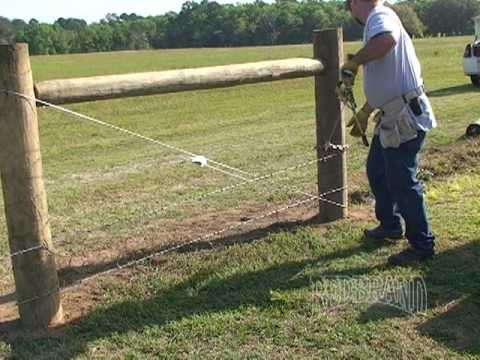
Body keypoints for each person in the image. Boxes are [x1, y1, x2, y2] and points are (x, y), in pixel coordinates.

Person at [343, 0, 437, 266]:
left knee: (402, 181)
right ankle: (390, 224)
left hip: (403, 117)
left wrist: (354, 62)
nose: (353, 14)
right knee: (377, 169)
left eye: (350, 8)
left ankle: (422, 244)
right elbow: (389, 78)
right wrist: (365, 110)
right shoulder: (379, 18)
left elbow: (388, 41)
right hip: (394, 115)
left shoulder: (379, 17)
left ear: (354, 3)